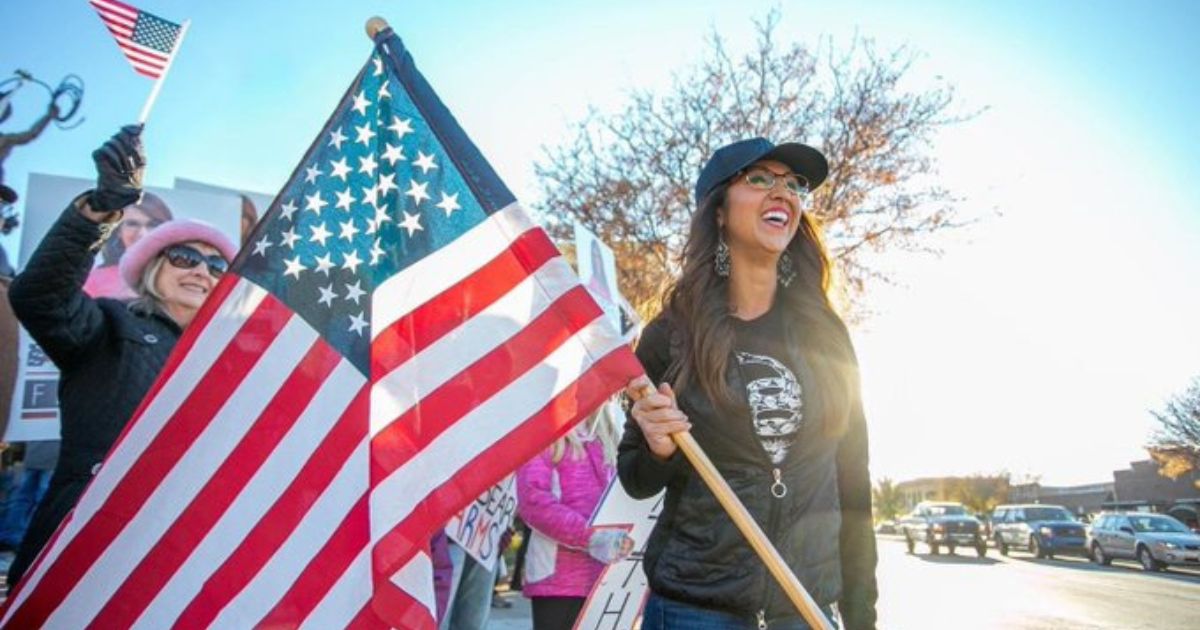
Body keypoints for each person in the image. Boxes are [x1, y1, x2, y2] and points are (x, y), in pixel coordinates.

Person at [618, 138, 878, 630]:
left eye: (794, 184)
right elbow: (635, 477)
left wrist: (863, 617)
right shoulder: (672, 334)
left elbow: (853, 484)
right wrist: (657, 447)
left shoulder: (827, 334)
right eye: (760, 179)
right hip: (694, 610)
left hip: (804, 611)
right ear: (718, 211)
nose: (783, 192)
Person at [5, 125, 237, 587]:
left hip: (186, 557)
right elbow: (40, 297)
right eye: (185, 258)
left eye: (216, 266)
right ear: (153, 267)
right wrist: (102, 207)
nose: (200, 272)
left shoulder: (232, 360)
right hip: (87, 551)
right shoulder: (110, 324)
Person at [517, 405, 634, 630]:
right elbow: (533, 502)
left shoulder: (611, 427)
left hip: (608, 580)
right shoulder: (544, 429)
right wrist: (592, 538)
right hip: (558, 582)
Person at [82, 191, 173, 299]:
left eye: (152, 225)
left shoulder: (184, 277)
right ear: (119, 231)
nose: (142, 234)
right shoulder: (93, 281)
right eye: (132, 224)